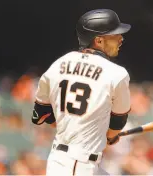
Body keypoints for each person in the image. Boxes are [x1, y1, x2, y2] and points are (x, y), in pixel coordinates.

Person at [32, 9, 131, 175]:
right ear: (98, 41)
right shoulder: (117, 73)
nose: (121, 38)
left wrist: (79, 130)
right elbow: (117, 124)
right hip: (79, 165)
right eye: (115, 34)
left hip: (61, 159)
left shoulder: (58, 64)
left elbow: (40, 114)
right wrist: (108, 135)